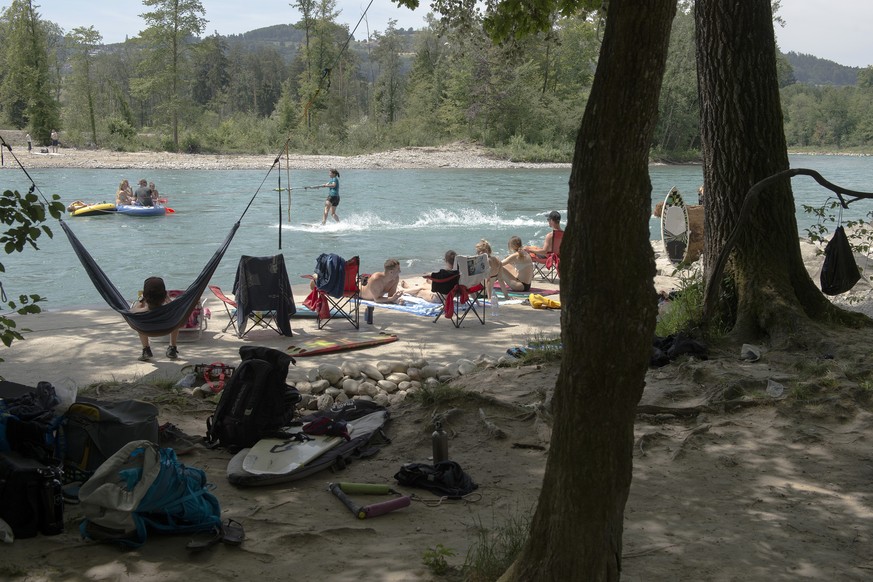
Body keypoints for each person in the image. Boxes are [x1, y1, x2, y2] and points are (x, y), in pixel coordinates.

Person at [130, 276, 180, 361]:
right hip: (166, 329)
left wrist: (142, 300)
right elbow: (176, 308)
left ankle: (146, 349)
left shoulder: (139, 312)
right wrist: (167, 298)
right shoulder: (171, 311)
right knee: (177, 318)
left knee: (139, 320)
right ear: (164, 295)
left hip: (146, 330)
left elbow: (131, 311)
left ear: (145, 295)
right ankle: (172, 348)